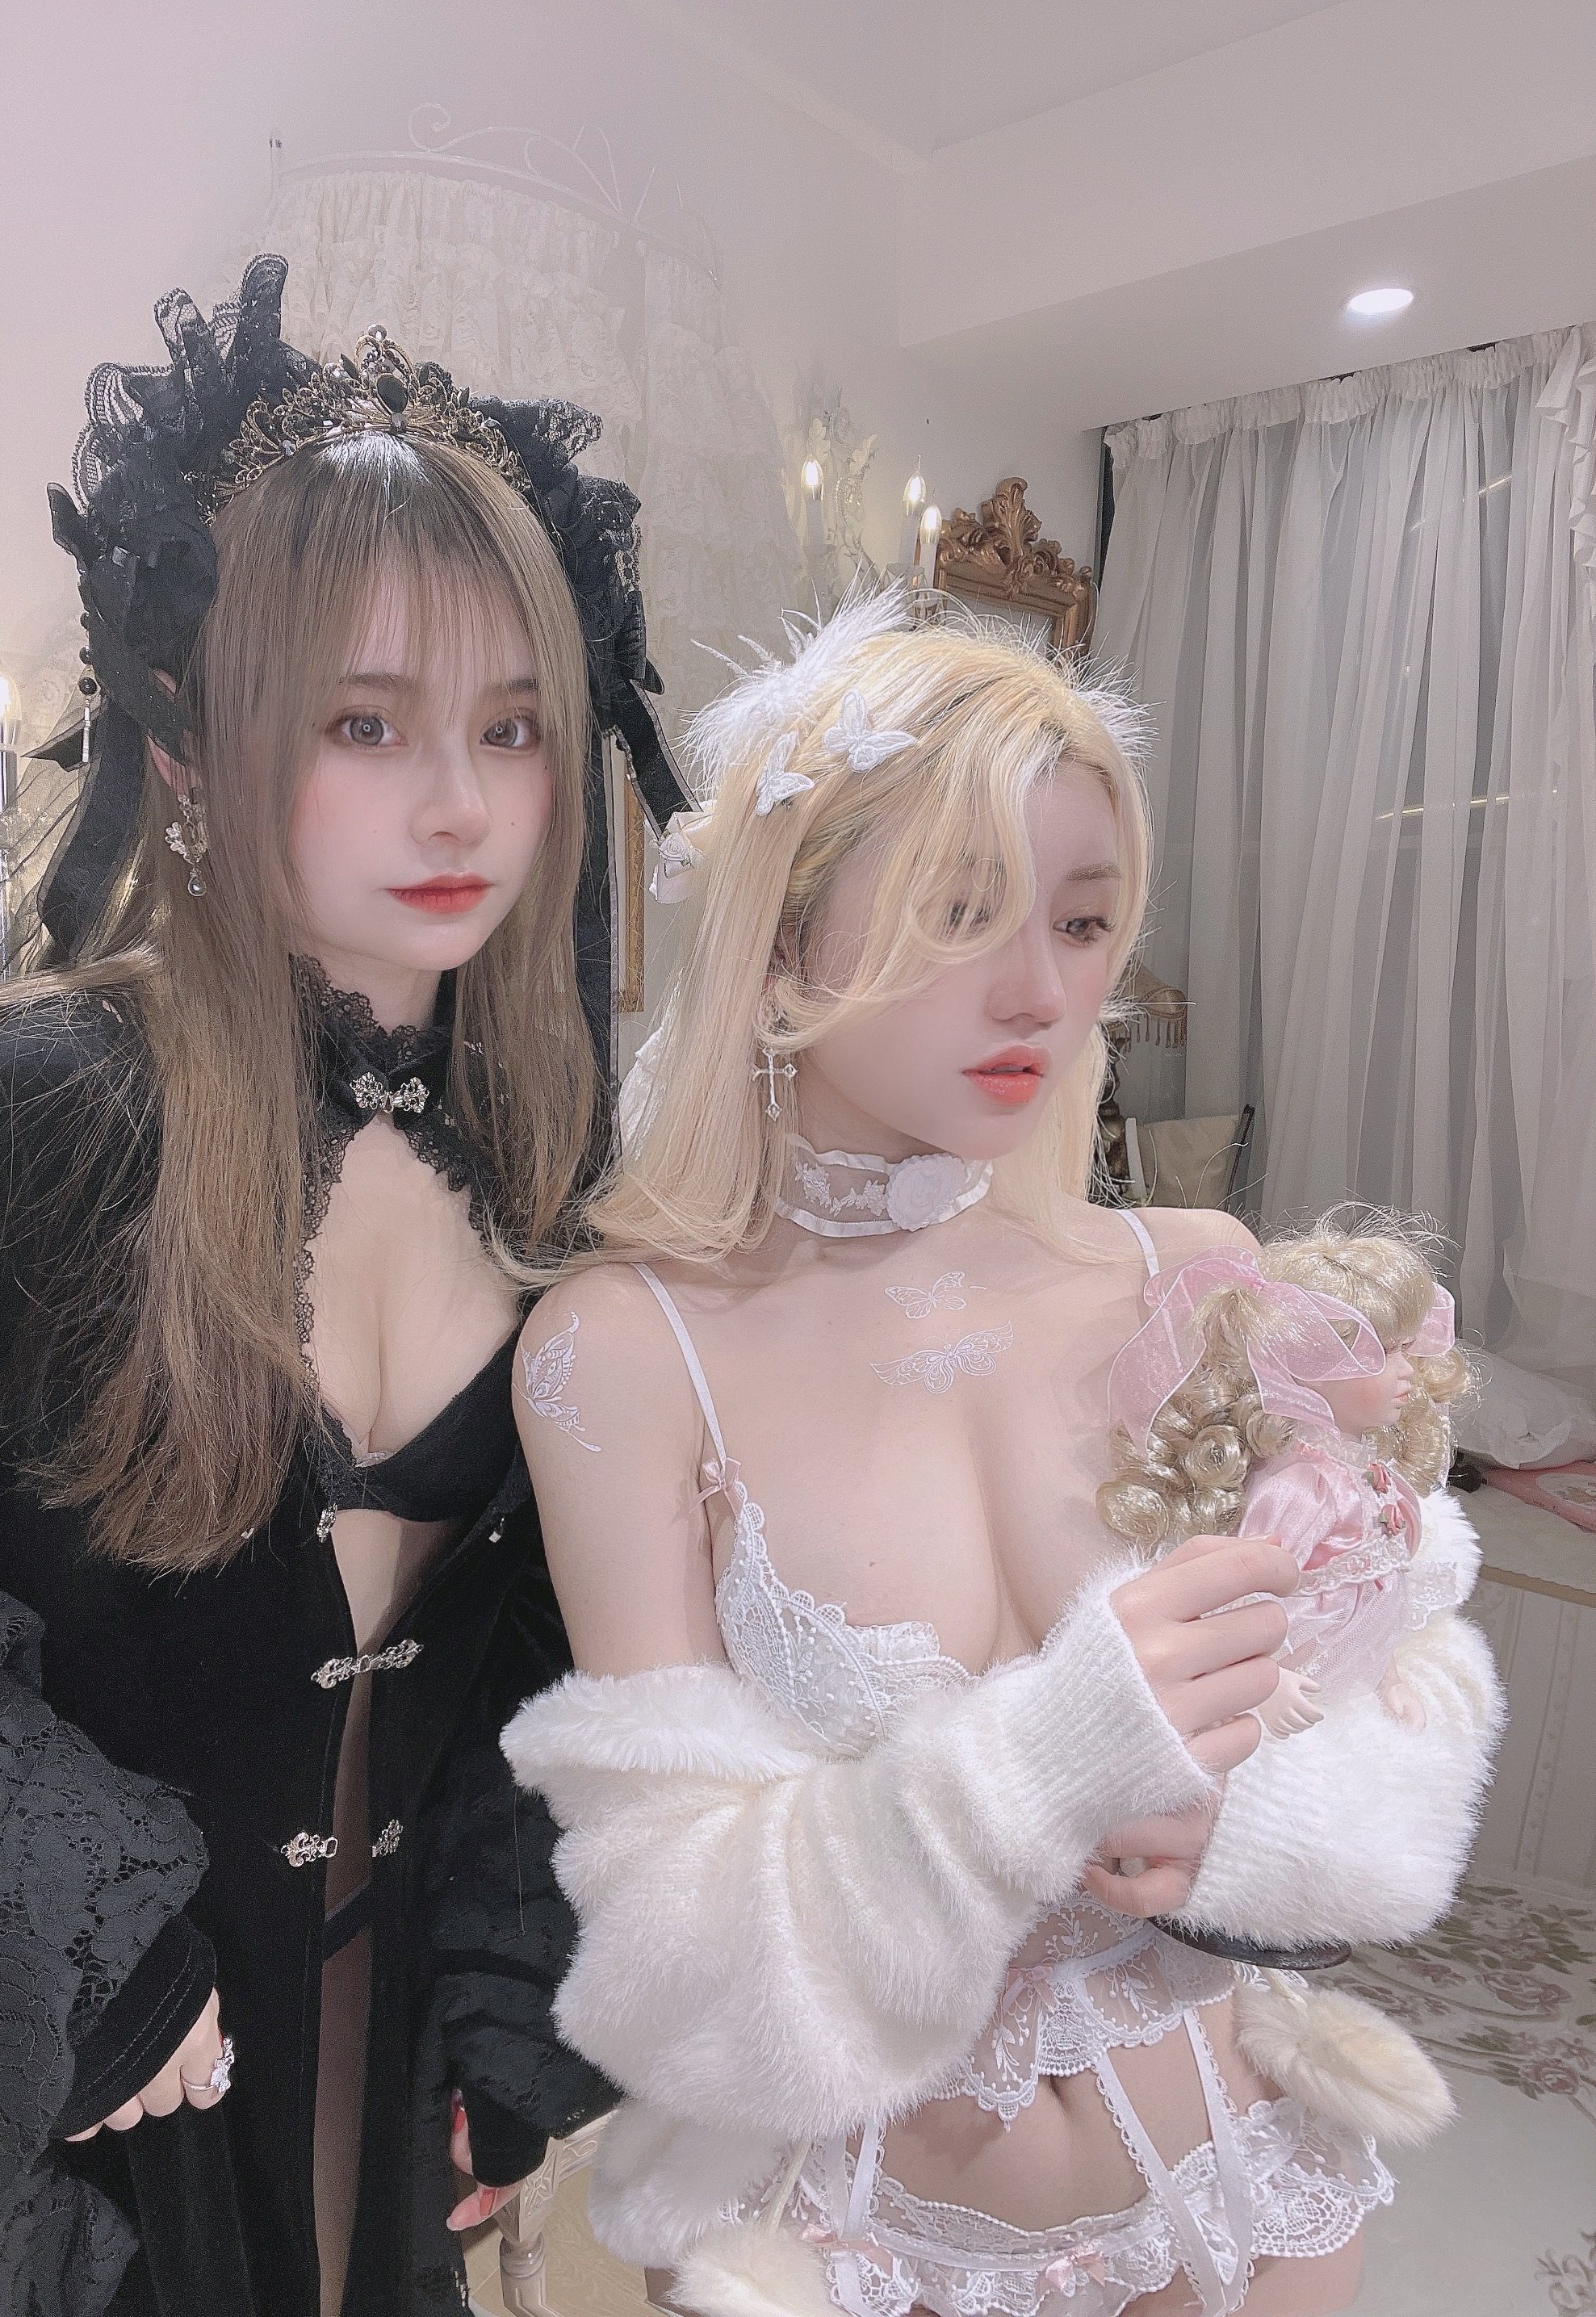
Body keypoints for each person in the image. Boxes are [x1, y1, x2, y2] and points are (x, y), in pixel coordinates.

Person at [504, 589, 1502, 2317]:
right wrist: (1039, 1765)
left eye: (1086, 918)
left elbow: (1402, 1694)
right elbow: (670, 1951)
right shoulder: (626, 1353)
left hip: (1250, 2190)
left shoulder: (1192, 1277)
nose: (1043, 987)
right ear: (787, 938)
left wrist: (1248, 1834)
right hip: (844, 2241)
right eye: (960, 913)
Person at [0, 257, 684, 2317]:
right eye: (364, 722)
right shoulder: (28, 1109)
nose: (460, 801)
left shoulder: (553, 1167)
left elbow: (555, 1651)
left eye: (509, 725)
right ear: (193, 744)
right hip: (92, 2092)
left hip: (388, 2084)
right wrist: (62, 1908)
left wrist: (513, 1985)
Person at [1100, 1225, 1472, 1738]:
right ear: (1308, 1364)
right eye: (1384, 1353)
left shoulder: (1363, 1470)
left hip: (1349, 1680)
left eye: (1407, 1349)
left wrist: (1387, 1680)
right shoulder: (1301, 1485)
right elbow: (1241, 1596)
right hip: (1297, 1670)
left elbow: (1376, 1595)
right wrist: (1264, 1683)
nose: (1408, 1371)